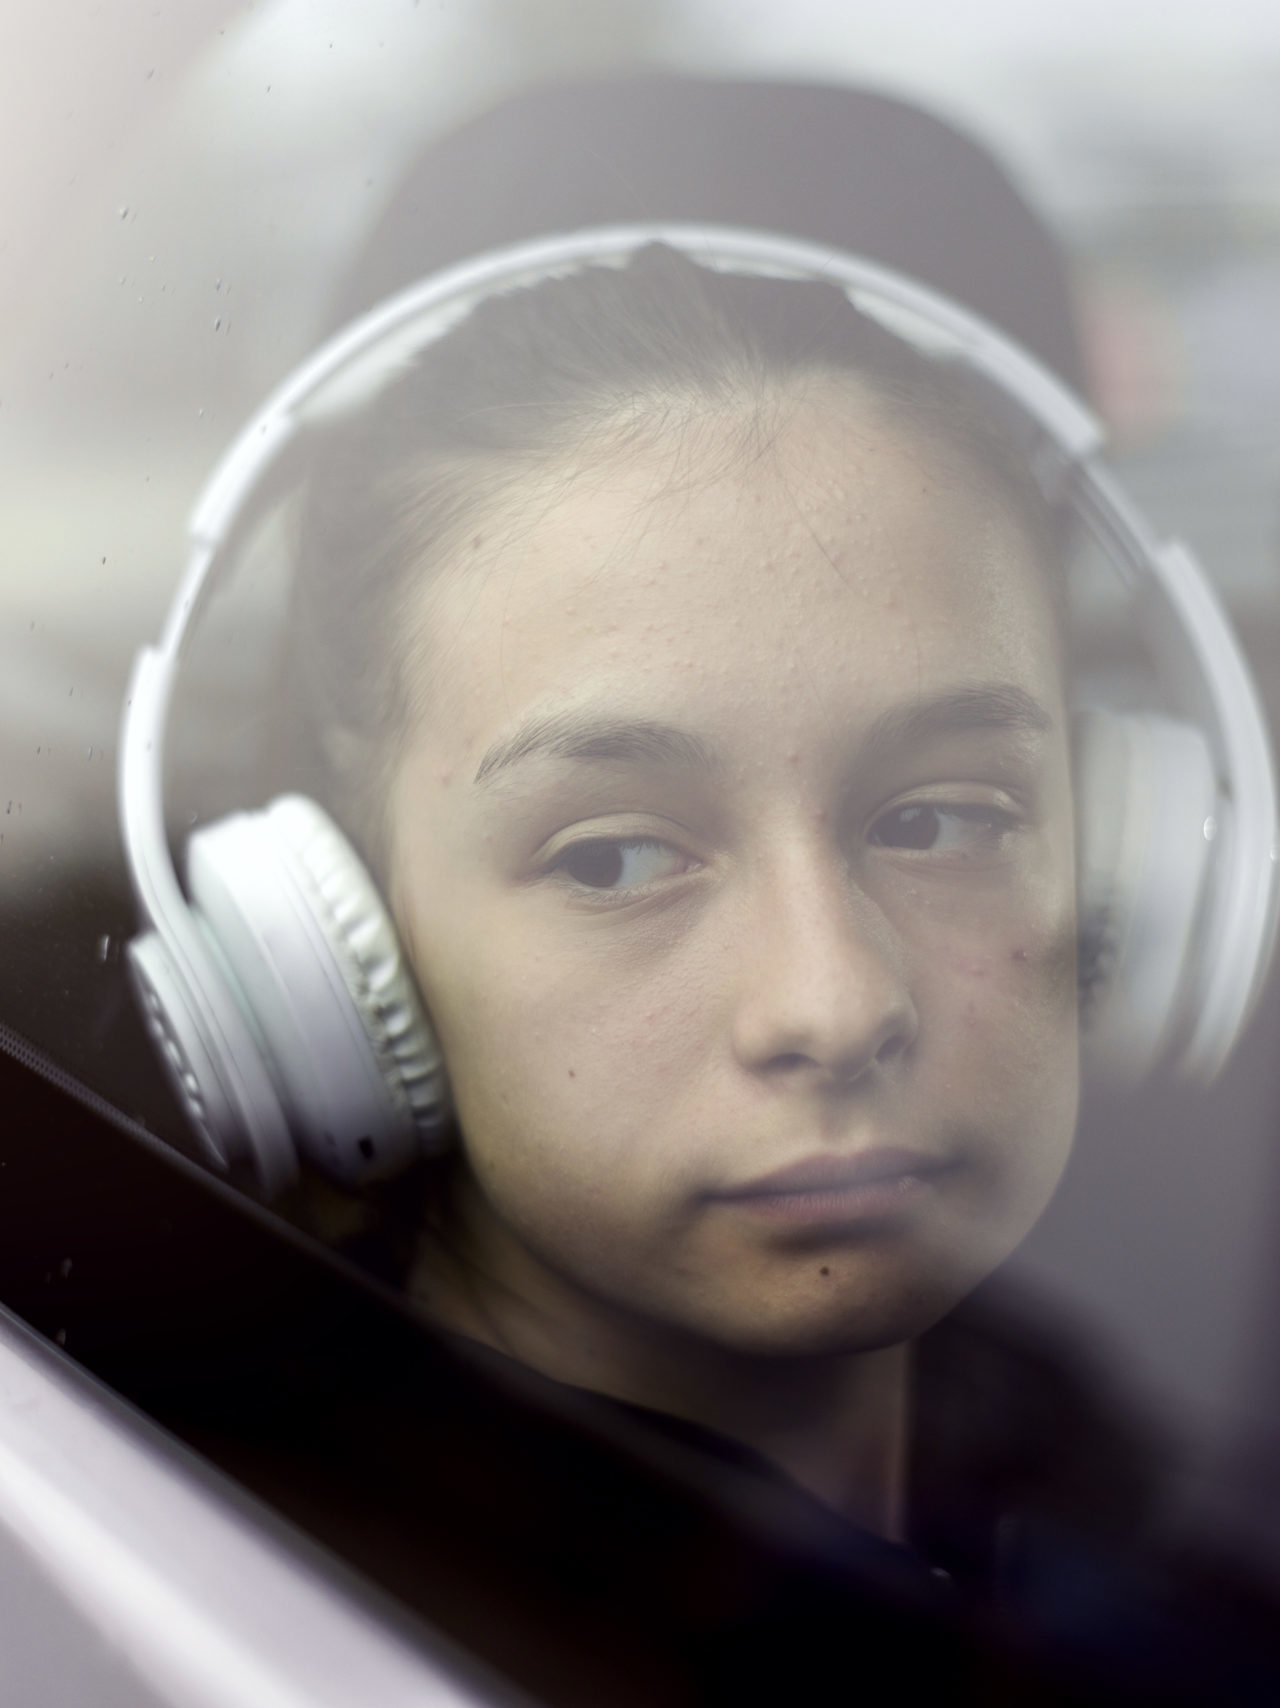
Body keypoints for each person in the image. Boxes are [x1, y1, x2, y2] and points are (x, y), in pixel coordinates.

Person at [119, 83, 1280, 1707]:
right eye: (613, 855)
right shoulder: (188, 1593)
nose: (835, 1003)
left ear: (1132, 859)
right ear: (330, 938)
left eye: (940, 817)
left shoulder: (1114, 1500)